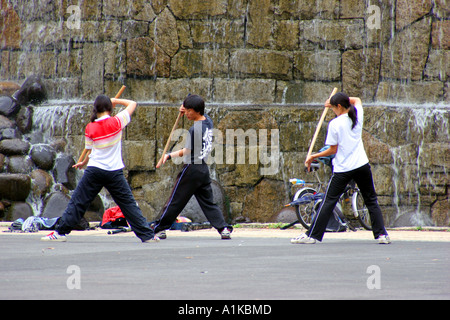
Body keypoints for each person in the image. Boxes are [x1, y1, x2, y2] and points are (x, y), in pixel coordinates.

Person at [41, 95, 159, 243]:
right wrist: (116, 101)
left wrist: (83, 163)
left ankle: (60, 233)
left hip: (95, 170)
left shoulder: (90, 127)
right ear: (109, 108)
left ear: (95, 109)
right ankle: (147, 236)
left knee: (78, 202)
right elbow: (133, 103)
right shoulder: (117, 121)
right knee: (128, 204)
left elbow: (90, 151)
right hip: (114, 171)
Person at [291, 92, 391, 244]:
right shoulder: (357, 114)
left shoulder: (335, 124)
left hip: (343, 169)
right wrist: (335, 100)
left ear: (339, 106)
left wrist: (313, 156)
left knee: (328, 201)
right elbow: (356, 99)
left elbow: (332, 150)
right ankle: (382, 235)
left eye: (333, 107)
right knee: (371, 200)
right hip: (361, 166)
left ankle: (312, 236)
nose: (332, 110)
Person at [153, 94, 233, 240]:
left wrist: (169, 155)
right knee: (208, 202)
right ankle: (223, 229)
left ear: (197, 111)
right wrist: (185, 107)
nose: (187, 113)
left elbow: (187, 151)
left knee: (175, 201)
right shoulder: (208, 122)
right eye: (186, 110)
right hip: (203, 170)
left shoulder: (194, 130)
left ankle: (159, 229)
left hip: (191, 169)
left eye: (189, 111)